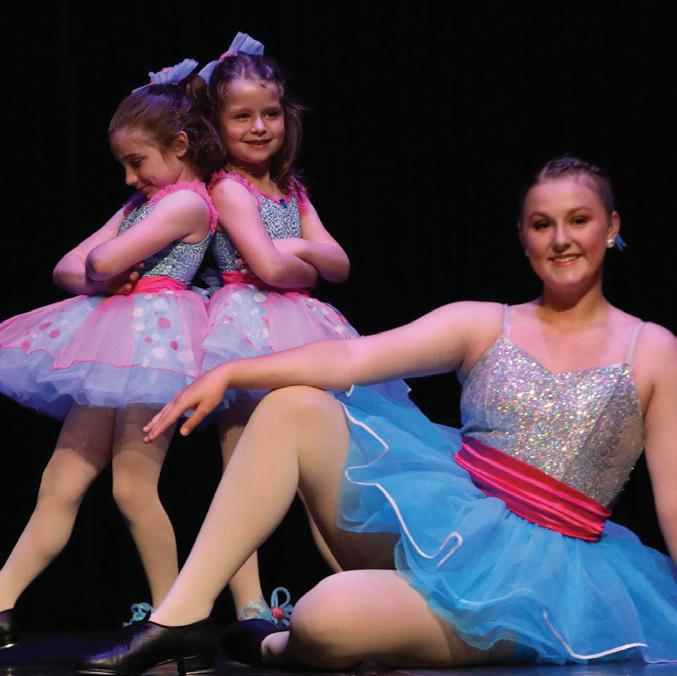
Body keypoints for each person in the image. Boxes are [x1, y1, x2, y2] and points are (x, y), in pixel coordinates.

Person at [78, 156, 676, 674]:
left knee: (325, 615)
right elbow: (349, 357)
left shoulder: (651, 350)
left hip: (545, 583)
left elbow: (672, 499)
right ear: (524, 237)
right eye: (542, 224)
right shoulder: (483, 323)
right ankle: (182, 620)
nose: (561, 239)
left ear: (611, 227)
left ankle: (277, 647)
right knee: (292, 405)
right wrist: (231, 372)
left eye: (578, 220)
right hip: (445, 527)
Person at [0, 59, 221, 646]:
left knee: (132, 488)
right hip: (114, 344)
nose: (128, 178)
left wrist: (103, 271)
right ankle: (0, 603)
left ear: (179, 146)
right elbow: (66, 267)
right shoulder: (141, 206)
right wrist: (101, 275)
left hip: (157, 350)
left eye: (136, 162)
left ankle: (178, 619)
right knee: (60, 480)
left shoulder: (187, 203)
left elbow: (99, 260)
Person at [195, 32, 400, 624]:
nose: (260, 127)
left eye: (271, 113)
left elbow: (340, 263)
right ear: (217, 124)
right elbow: (269, 268)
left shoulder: (292, 189)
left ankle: (360, 590)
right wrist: (299, 258)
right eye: (242, 116)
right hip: (242, 326)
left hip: (305, 329)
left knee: (324, 470)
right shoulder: (226, 187)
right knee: (242, 468)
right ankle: (248, 603)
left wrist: (298, 252)